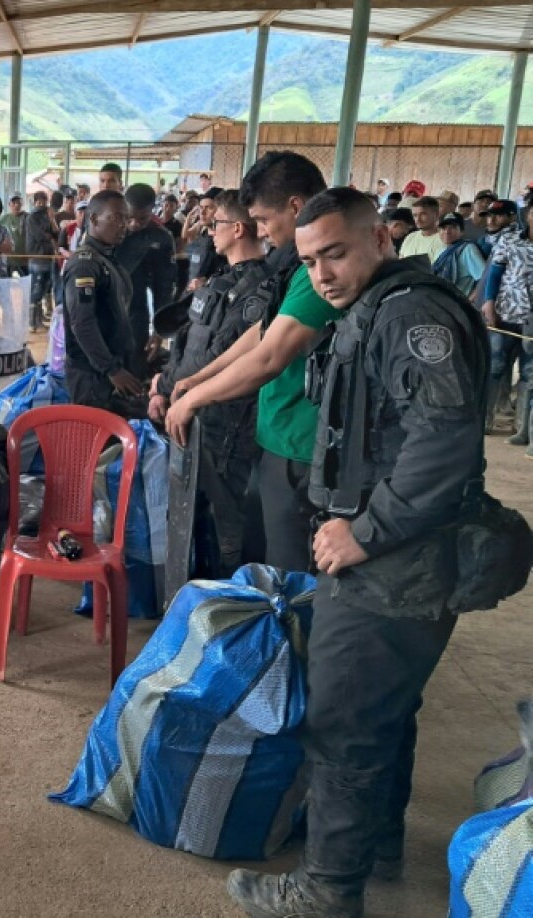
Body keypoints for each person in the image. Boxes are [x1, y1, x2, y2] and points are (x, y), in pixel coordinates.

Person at [227, 187, 488, 918]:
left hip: (396, 558)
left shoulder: (412, 314)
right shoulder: (375, 309)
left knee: (342, 716)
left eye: (336, 253)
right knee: (383, 709)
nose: (322, 274)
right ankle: (374, 848)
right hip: (391, 549)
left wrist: (362, 532)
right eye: (310, 261)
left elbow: (443, 447)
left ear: (382, 239)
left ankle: (326, 891)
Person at [165, 150, 332, 574]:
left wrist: (191, 399)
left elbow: (270, 357)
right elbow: (261, 334)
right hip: (276, 437)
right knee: (268, 554)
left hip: (301, 443)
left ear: (295, 207)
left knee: (288, 569)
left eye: (263, 220)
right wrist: (195, 382)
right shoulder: (295, 270)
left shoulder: (317, 274)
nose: (260, 231)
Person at [150, 190, 270, 574]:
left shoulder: (258, 289)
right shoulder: (222, 279)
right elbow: (189, 343)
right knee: (192, 515)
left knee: (225, 526)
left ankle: (224, 606)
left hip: (226, 425)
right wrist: (163, 387)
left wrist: (177, 392)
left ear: (237, 229)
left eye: (215, 223)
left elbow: (216, 357)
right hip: (193, 415)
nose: (208, 229)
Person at [62, 190, 146, 414]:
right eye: (116, 218)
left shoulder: (106, 259)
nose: (124, 226)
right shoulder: (84, 264)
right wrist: (111, 369)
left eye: (126, 219)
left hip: (108, 366)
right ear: (93, 219)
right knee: (96, 443)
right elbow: (82, 323)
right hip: (92, 373)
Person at [480, 212, 533, 448]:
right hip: (505, 313)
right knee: (495, 367)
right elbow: (495, 273)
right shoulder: (510, 240)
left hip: (531, 321)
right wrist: (489, 301)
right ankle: (484, 420)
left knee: (529, 375)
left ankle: (522, 428)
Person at [115, 183, 177, 375]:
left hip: (135, 315)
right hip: (102, 312)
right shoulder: (107, 229)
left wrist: (158, 332)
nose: (134, 224)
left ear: (153, 210)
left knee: (135, 370)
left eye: (142, 218)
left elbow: (164, 289)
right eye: (130, 217)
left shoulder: (161, 238)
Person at [24, 190, 59, 330]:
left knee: (45, 287)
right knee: (37, 287)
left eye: (44, 201)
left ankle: (38, 319)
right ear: (34, 202)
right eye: (39, 201)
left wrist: (52, 219)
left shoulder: (48, 215)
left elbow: (56, 232)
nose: (41, 204)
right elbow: (40, 235)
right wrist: (51, 239)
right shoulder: (32, 217)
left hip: (48, 256)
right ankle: (32, 321)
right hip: (37, 257)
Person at [432, 212, 486, 298]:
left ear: (462, 231)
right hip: (441, 301)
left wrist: (469, 301)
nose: (447, 232)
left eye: (452, 227)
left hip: (458, 304)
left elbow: (484, 279)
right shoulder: (441, 250)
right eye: (443, 228)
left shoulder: (467, 249)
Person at [183, 186, 227, 291]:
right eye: (201, 207)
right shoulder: (201, 237)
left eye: (209, 208)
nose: (202, 213)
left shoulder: (226, 243)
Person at [398, 196, 446, 261]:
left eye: (423, 214)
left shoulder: (444, 240)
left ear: (436, 215)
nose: (418, 219)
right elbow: (401, 261)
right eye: (415, 215)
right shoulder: (410, 237)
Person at [0, 193, 26, 274]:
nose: (16, 205)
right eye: (14, 203)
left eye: (19, 202)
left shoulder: (28, 218)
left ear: (22, 203)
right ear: (9, 204)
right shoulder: (3, 219)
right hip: (8, 260)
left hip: (25, 260)